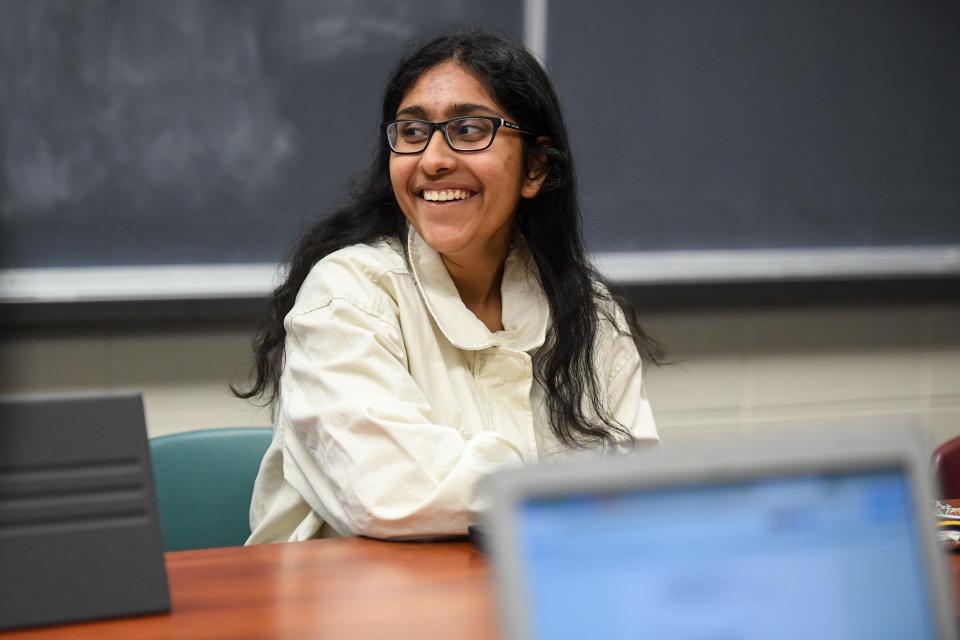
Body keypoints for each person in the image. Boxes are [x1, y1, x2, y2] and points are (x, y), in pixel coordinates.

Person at [235, 29, 662, 543]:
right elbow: (390, 494)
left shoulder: (589, 311)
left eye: (468, 129)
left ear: (535, 167)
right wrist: (564, 485)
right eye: (413, 132)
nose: (433, 159)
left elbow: (637, 494)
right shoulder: (348, 293)